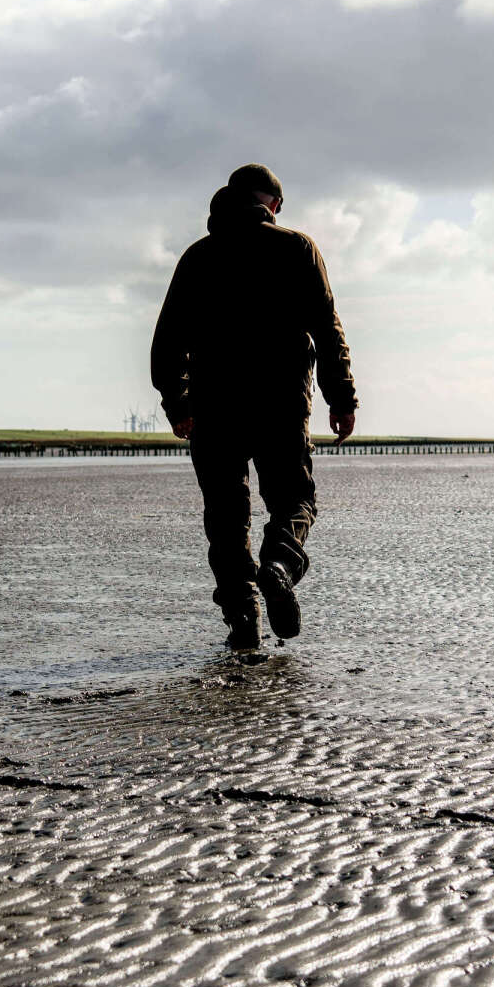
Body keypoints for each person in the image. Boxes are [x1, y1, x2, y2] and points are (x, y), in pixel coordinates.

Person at [150, 164, 359, 651]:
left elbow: (166, 343)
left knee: (226, 518)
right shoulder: (298, 248)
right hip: (281, 405)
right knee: (293, 501)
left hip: (214, 408)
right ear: (273, 204)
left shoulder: (198, 256)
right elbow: (328, 330)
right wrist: (342, 398)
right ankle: (280, 566)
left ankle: (244, 618)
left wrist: (177, 402)